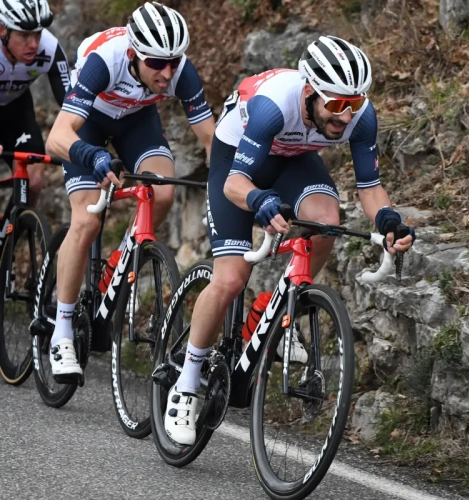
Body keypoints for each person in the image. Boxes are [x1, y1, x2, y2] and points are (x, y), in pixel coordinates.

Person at [162, 35, 416, 445]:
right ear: (310, 93)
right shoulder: (271, 106)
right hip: (238, 165)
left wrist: (389, 221)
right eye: (335, 105)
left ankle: (281, 305)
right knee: (230, 279)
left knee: (327, 221)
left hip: (292, 161)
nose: (344, 117)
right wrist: (258, 199)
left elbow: (371, 187)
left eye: (353, 105)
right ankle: (187, 383)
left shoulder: (359, 115)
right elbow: (235, 184)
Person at [44, 2, 215, 384]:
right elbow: (58, 136)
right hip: (87, 124)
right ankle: (62, 329)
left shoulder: (179, 72)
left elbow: (210, 139)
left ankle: (118, 267)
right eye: (158, 63)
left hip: (137, 122)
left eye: (174, 62)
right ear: (134, 54)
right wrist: (92, 156)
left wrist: (227, 190)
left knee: (163, 192)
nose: (167, 72)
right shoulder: (104, 61)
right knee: (87, 219)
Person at [0, 0, 70, 205]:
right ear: (2, 30)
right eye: (24, 35)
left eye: (38, 34)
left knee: (33, 181)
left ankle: (13, 231)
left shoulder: (49, 49)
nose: (33, 44)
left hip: (16, 108)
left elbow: (71, 102)